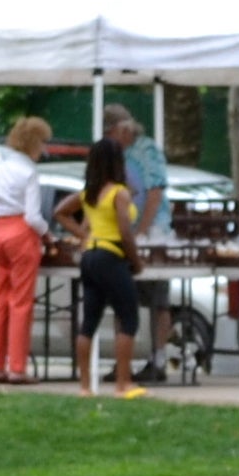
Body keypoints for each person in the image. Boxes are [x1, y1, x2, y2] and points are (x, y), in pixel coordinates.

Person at [55, 135, 147, 399]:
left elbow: (59, 211)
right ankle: (123, 384)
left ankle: (85, 387)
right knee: (128, 318)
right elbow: (124, 232)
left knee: (89, 322)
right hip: (111, 256)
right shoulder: (119, 193)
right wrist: (136, 262)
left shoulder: (89, 194)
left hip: (90, 256)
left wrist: (84, 236)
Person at [103, 102, 173, 377]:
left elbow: (154, 192)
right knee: (121, 296)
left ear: (123, 129)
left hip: (153, 232)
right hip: (123, 233)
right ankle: (124, 362)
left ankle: (158, 359)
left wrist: (142, 230)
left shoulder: (147, 151)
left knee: (158, 299)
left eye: (111, 133)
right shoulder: (113, 154)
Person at [0, 116, 49, 384]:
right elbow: (33, 216)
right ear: (34, 142)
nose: (44, 148)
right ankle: (17, 367)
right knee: (21, 303)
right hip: (21, 234)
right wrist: (48, 233)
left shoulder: (0, 168)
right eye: (43, 141)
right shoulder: (29, 172)